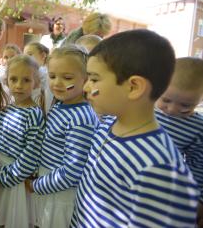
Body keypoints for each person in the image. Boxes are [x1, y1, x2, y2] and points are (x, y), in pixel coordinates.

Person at [71, 29, 199, 227]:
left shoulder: (159, 168)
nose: (86, 87)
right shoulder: (108, 124)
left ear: (134, 87)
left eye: (94, 79)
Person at [25, 45, 99, 228]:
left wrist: (37, 186)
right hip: (49, 187)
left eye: (67, 78)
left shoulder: (81, 118)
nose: (57, 83)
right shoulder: (61, 105)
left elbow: (72, 171)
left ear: (86, 79)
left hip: (60, 196)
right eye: (52, 76)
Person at [0, 55, 46, 228]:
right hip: (0, 172)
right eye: (14, 79)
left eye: (26, 80)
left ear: (36, 83)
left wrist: (2, 178)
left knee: (16, 221)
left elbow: (30, 156)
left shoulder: (34, 114)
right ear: (6, 80)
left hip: (16, 179)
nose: (18, 85)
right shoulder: (6, 110)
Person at [155, 57, 203, 227]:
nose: (172, 109)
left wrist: (199, 200)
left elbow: (199, 166)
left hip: (164, 190)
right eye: (166, 100)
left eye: (185, 106)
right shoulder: (142, 106)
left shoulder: (197, 127)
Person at [23, 41, 52, 113]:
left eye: (29, 54)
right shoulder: (27, 75)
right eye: (24, 55)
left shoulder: (50, 75)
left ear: (42, 56)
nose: (25, 58)